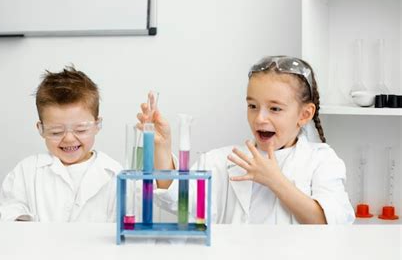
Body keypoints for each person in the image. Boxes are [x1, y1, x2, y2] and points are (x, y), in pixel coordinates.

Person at [137, 56, 355, 224]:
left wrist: (275, 180)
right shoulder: (221, 160)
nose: (259, 118)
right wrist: (162, 148)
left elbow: (331, 221)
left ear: (304, 115)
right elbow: (181, 201)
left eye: (275, 108)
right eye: (252, 106)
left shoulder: (321, 161)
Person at [0, 66, 121, 222]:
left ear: (97, 125)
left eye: (81, 130)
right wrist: (19, 221)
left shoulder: (115, 174)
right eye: (56, 132)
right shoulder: (26, 171)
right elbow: (9, 209)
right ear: (41, 129)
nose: (69, 139)